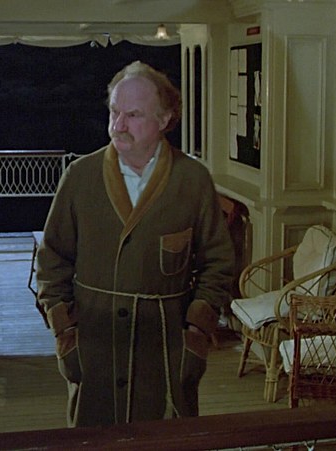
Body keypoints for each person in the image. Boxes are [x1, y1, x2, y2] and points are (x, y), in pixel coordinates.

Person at [35, 60, 234, 427]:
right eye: (114, 111)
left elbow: (218, 262)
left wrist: (195, 333)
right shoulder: (79, 177)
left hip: (165, 351)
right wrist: (65, 332)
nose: (118, 125)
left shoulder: (193, 180)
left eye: (133, 115)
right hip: (94, 347)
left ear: (165, 119)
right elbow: (52, 260)